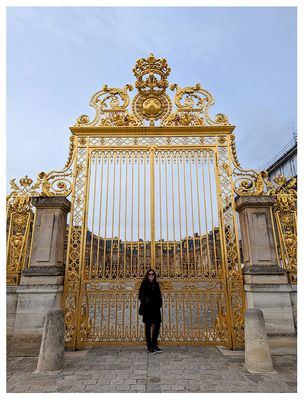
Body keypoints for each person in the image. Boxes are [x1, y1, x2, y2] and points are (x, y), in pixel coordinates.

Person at [138, 269, 163, 354]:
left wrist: (159, 304)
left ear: (154, 275)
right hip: (147, 308)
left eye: (152, 274)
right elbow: (140, 295)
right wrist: (146, 301)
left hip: (156, 308)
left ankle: (154, 345)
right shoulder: (144, 284)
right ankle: (149, 347)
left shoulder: (156, 284)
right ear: (147, 275)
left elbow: (159, 295)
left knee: (157, 326)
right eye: (149, 274)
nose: (151, 275)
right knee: (148, 327)